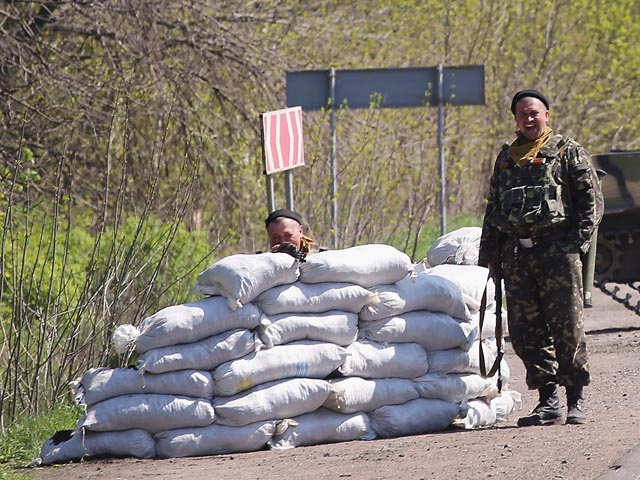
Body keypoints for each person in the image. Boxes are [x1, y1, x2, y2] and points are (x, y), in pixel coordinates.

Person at [478, 89, 604, 426]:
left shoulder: (566, 151)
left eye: (534, 113)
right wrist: (487, 258)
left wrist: (574, 245)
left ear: (547, 114)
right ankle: (548, 401)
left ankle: (575, 399)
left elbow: (591, 202)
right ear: (515, 120)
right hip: (517, 256)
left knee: (567, 328)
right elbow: (493, 210)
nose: (529, 119)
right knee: (525, 331)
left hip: (558, 255)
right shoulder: (506, 159)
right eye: (522, 115)